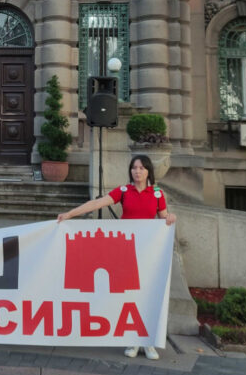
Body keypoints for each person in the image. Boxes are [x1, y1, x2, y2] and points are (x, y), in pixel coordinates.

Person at [57, 154, 176, 361]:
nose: (137, 172)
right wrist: (69, 214)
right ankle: (133, 339)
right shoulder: (123, 191)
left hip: (149, 253)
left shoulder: (157, 193)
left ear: (149, 171)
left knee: (149, 295)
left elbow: (163, 216)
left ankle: (148, 342)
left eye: (141, 168)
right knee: (131, 296)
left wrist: (170, 218)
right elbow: (97, 204)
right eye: (134, 168)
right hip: (127, 253)